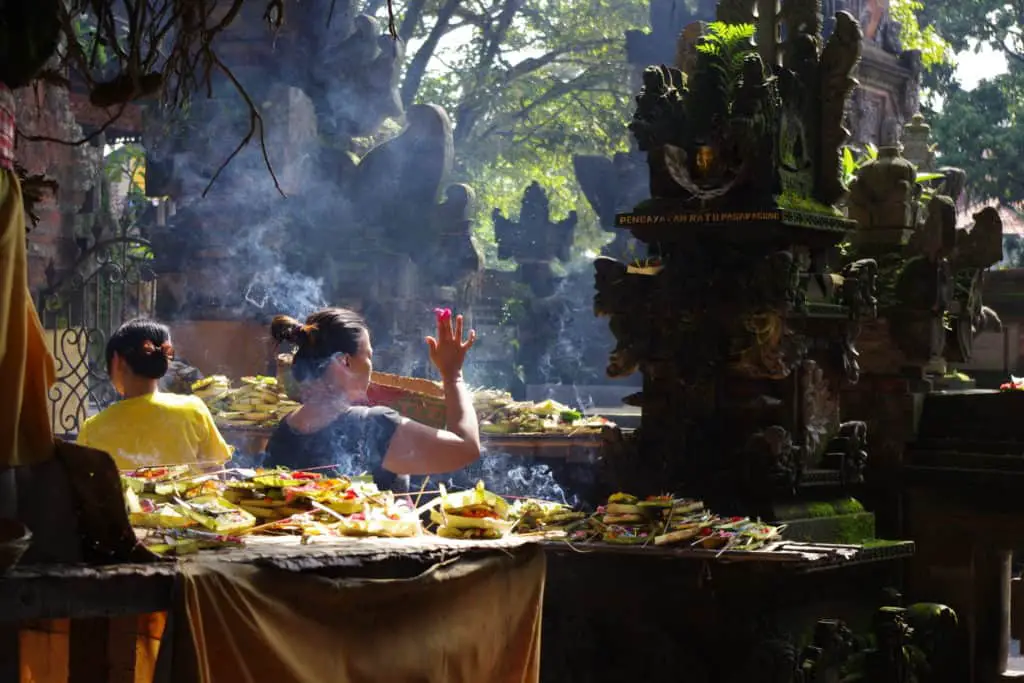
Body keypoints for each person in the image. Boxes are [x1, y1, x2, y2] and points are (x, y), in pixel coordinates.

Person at [264, 307, 481, 489]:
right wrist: (453, 376)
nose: (371, 365)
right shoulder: (373, 425)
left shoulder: (284, 428)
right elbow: (466, 448)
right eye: (368, 356)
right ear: (345, 362)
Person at [76, 319, 232, 470]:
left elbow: (81, 486)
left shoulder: (93, 428)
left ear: (118, 362)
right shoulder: (194, 409)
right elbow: (216, 473)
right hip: (187, 498)